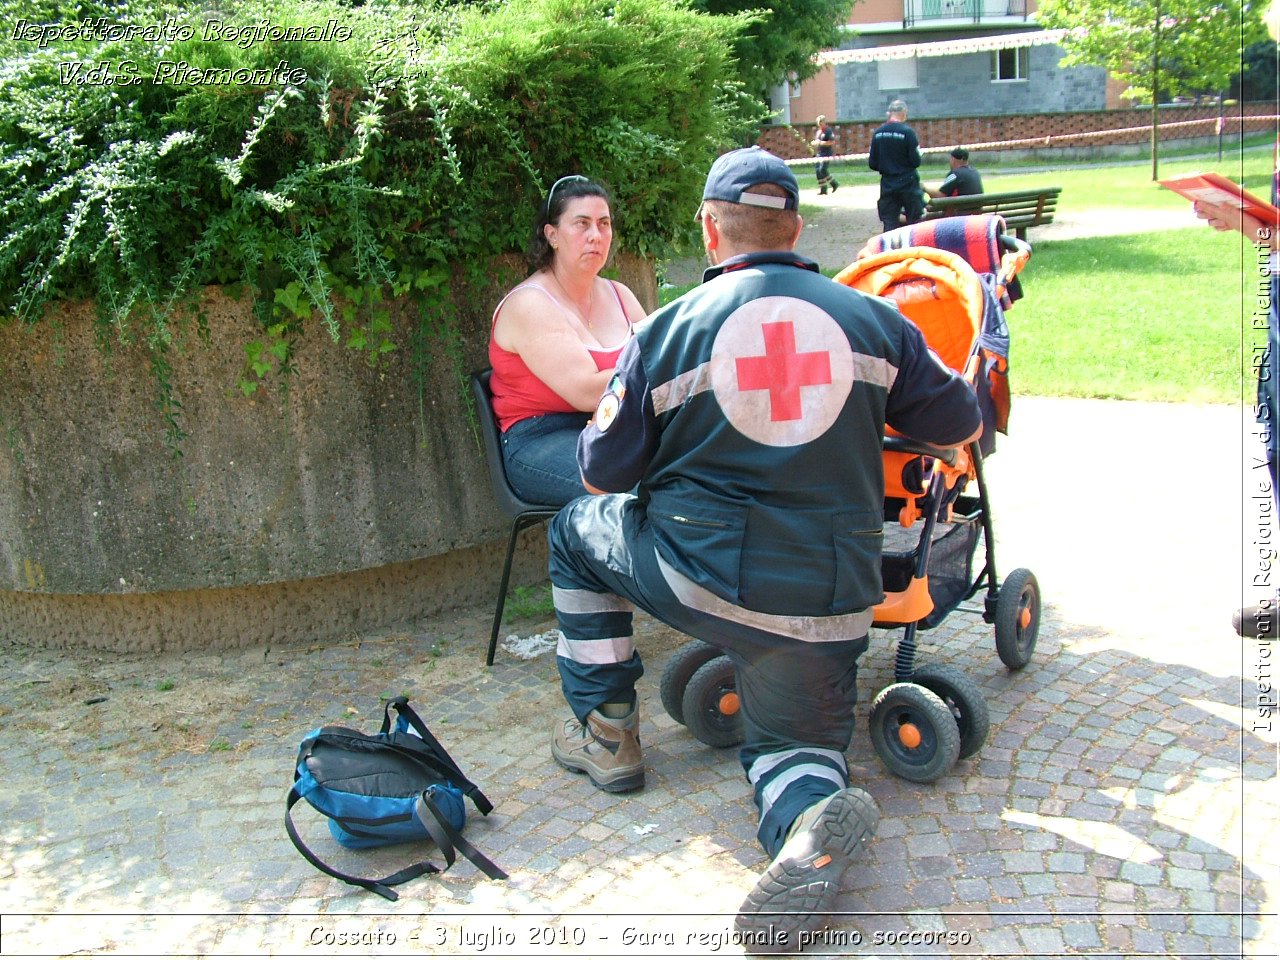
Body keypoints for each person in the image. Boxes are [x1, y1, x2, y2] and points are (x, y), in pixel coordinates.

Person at [545, 146, 984, 946]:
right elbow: (960, 425)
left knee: (574, 531)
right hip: (826, 597)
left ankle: (607, 730)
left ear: (710, 230)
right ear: (796, 228)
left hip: (697, 576)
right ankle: (806, 821)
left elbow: (601, 472)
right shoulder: (879, 322)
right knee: (796, 747)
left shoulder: (668, 328)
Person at [488, 175, 647, 506]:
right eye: (581, 224)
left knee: (692, 470)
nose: (595, 236)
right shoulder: (529, 305)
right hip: (539, 440)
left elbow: (660, 357)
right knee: (640, 492)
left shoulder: (620, 295)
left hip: (610, 427)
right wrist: (662, 365)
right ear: (552, 235)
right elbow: (588, 391)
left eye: (604, 224)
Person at [868, 98, 923, 233]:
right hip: (907, 182)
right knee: (914, 222)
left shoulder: (878, 133)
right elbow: (916, 161)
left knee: (889, 222)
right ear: (904, 113)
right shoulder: (908, 132)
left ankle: (889, 251)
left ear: (889, 113)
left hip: (887, 183)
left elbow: (872, 163)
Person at [810, 114, 839, 196]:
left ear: (824, 122)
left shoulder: (828, 131)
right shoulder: (818, 132)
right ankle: (823, 189)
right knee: (817, 171)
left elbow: (832, 142)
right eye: (818, 123)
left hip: (826, 153)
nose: (819, 124)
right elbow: (817, 141)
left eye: (820, 122)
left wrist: (821, 143)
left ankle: (834, 183)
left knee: (823, 169)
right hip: (819, 153)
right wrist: (814, 143)